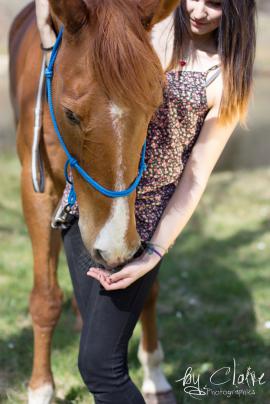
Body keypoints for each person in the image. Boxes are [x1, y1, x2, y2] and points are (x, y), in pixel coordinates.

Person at [35, 0, 256, 403]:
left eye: (216, 5)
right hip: (85, 208)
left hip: (142, 227)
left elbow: (195, 176)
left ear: (237, 13)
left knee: (101, 368)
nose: (200, 10)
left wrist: (154, 252)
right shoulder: (151, 36)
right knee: (97, 359)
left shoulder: (224, 80)